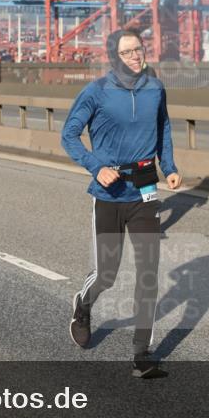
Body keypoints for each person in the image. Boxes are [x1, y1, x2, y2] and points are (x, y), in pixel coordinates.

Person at [61, 29, 181, 378]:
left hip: (145, 190)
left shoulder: (155, 88)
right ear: (113, 57)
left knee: (148, 274)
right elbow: (69, 134)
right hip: (109, 194)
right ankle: (83, 305)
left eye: (138, 50)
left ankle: (142, 354)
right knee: (107, 275)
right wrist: (96, 168)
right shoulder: (96, 91)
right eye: (127, 52)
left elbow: (164, 129)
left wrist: (169, 168)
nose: (135, 56)